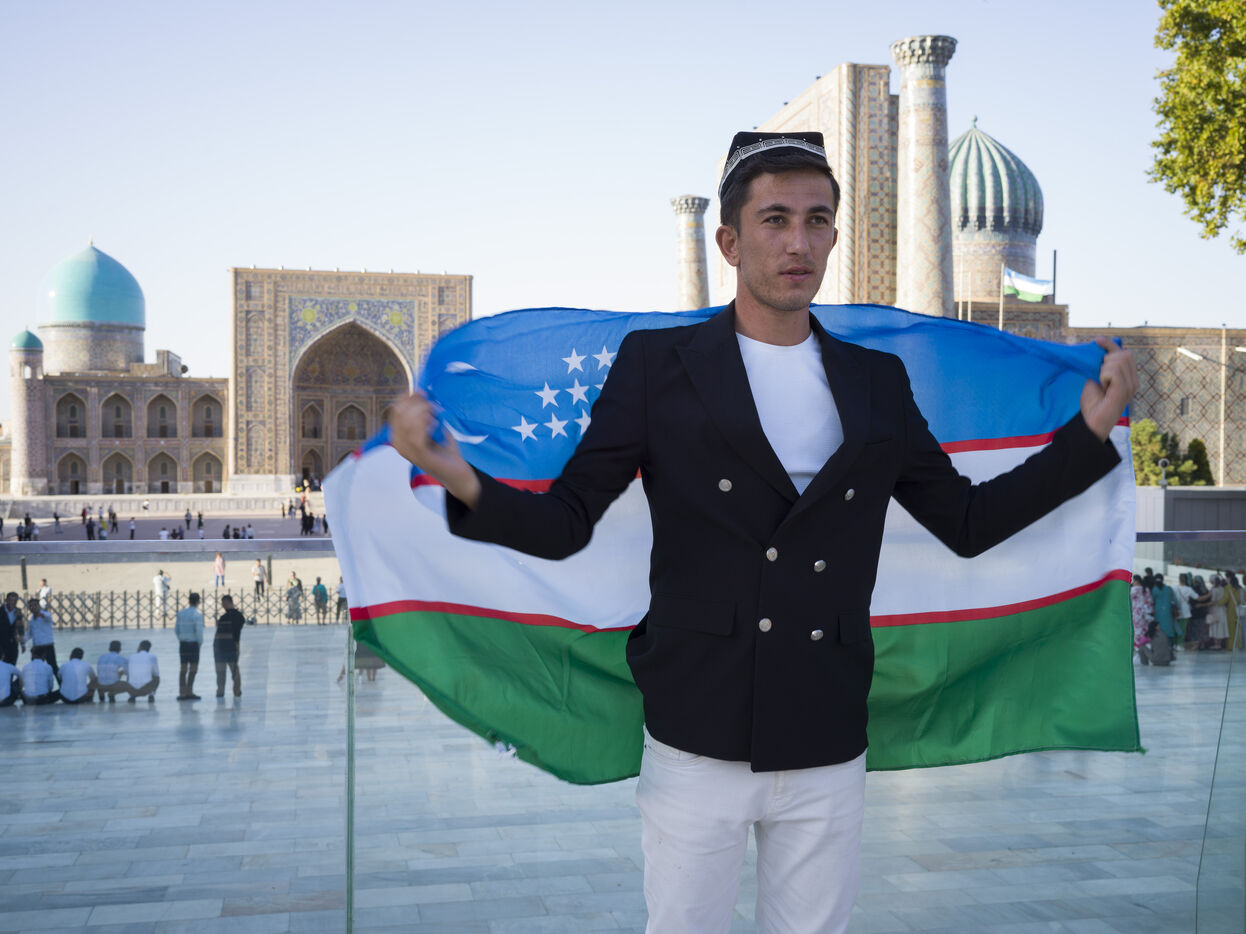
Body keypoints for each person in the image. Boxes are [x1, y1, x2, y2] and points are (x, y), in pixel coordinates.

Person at [385, 130, 1137, 932]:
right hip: (697, 732)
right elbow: (566, 522)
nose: (797, 243)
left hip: (826, 729)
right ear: (730, 242)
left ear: (835, 237)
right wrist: (456, 474)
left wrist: (1087, 436)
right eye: (775, 220)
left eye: (817, 221)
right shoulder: (659, 366)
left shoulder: (876, 381)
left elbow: (967, 521)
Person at [175, 593, 205, 700]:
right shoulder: (197, 615)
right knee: (193, 669)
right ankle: (189, 691)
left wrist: (181, 638)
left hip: (183, 644)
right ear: (198, 601)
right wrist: (199, 643)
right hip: (193, 645)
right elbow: (199, 632)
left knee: (183, 669)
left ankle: (182, 692)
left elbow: (177, 630)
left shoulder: (181, 613)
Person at [214, 595, 245, 698]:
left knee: (221, 672)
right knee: (234, 671)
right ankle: (237, 691)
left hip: (222, 648)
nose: (222, 606)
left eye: (223, 604)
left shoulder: (224, 617)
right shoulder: (239, 616)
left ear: (227, 603)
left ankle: (220, 691)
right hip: (233, 647)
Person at [26, 597, 57, 676]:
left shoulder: (46, 614)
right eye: (31, 606)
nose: (33, 607)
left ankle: (62, 683)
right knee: (36, 668)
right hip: (36, 647)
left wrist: (41, 615)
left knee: (53, 667)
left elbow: (48, 618)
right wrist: (22, 641)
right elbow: (30, 634)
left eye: (35, 605)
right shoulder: (31, 620)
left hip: (47, 646)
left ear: (39, 606)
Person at [1150, 574, 1177, 662]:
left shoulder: (1155, 589)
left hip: (1158, 613)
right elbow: (1175, 601)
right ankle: (1169, 651)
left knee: (1159, 631)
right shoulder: (1168, 589)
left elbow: (1152, 601)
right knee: (1168, 631)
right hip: (1167, 614)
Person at [0, 592, 25, 665]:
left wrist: (22, 644)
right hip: (1, 643)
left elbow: (20, 628)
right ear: (6, 600)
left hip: (13, 643)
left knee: (13, 663)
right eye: (11, 600)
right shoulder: (1, 611)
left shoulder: (18, 611)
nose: (13, 603)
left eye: (15, 601)